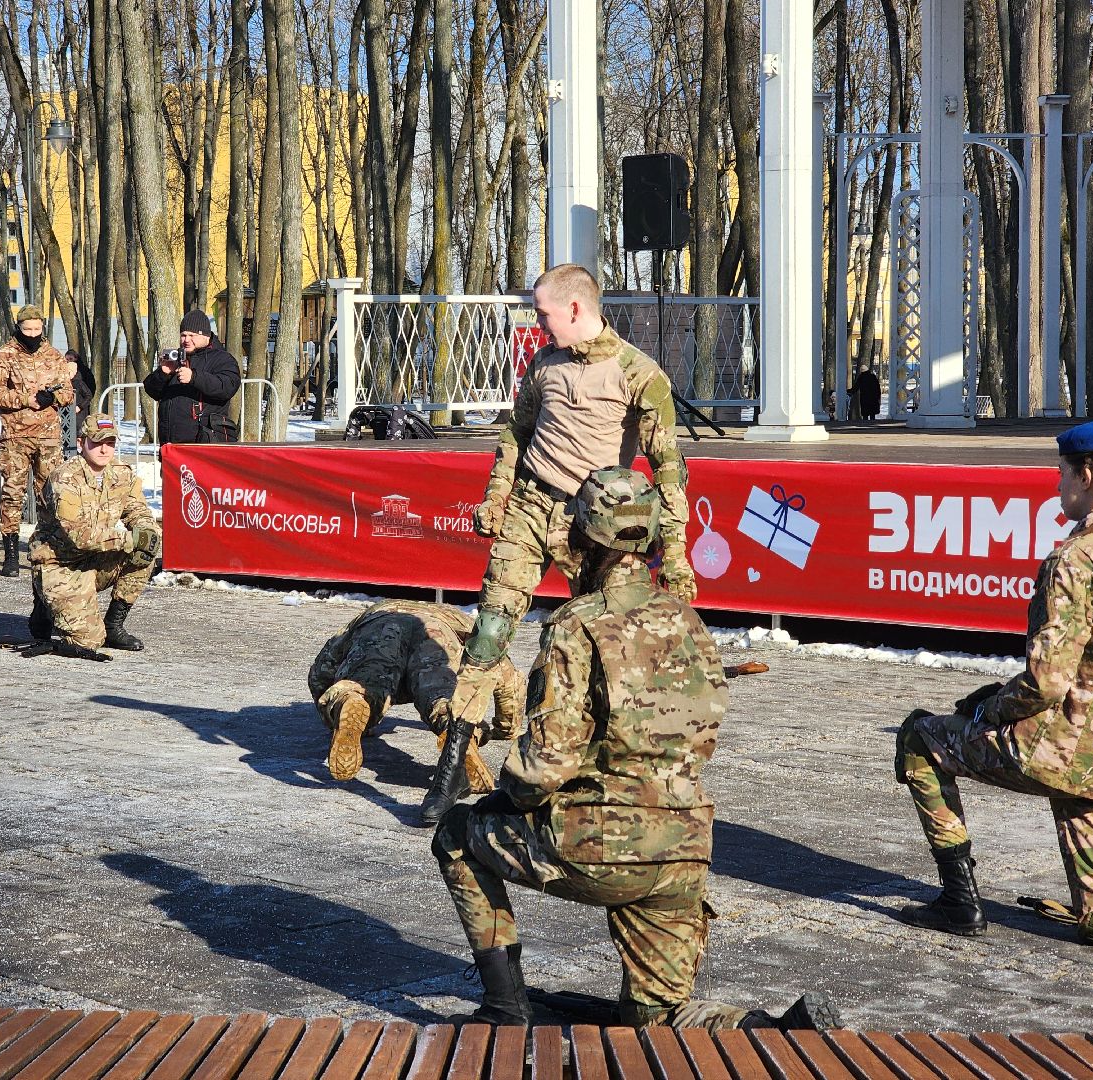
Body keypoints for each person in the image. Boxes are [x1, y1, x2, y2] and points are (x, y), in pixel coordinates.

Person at [431, 467, 838, 1030]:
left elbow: (547, 762)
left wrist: (508, 797)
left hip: (600, 845)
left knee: (455, 834)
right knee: (654, 1017)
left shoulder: (577, 626)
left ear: (582, 538)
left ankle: (505, 1008)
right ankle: (764, 1032)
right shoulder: (687, 620)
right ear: (647, 539)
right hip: (684, 851)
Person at [422, 263, 695, 825]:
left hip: (595, 526)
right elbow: (516, 434)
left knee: (599, 646)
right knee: (490, 632)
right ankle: (450, 769)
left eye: (544, 312)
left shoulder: (639, 375)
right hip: (528, 507)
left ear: (575, 308)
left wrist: (676, 553)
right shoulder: (543, 365)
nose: (539, 323)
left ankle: (577, 766)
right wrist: (496, 494)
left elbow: (670, 472)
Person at [894, 420, 1093, 949]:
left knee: (920, 738)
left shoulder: (1075, 558)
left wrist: (987, 709)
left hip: (1065, 751)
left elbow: (1046, 682)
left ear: (1091, 475)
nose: (1057, 486)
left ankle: (959, 903)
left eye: (1062, 473)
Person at [309, 600, 525, 793]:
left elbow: (323, 666)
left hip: (381, 626)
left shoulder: (375, 612)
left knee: (365, 682)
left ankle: (353, 700)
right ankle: (452, 728)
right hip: (437, 634)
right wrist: (506, 727)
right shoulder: (458, 618)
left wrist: (330, 712)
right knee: (440, 695)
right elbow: (506, 676)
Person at [24, 414, 161, 662]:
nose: (103, 449)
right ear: (81, 443)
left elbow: (137, 510)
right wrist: (131, 539)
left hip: (96, 560)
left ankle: (113, 625)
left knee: (146, 553)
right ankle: (44, 604)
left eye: (109, 443)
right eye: (96, 442)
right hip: (60, 564)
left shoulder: (121, 473)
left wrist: (147, 530)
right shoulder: (65, 478)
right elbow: (80, 536)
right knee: (87, 642)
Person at [0, 305, 74, 577]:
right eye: (28, 330)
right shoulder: (6, 355)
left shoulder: (53, 354)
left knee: (48, 494)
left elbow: (69, 391)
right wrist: (25, 399)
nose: (33, 334)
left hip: (47, 437)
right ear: (19, 327)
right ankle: (11, 554)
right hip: (15, 436)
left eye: (37, 329)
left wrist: (54, 398)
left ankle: (45, 548)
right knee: (13, 493)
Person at [143, 311, 241, 444]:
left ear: (205, 335)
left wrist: (194, 377)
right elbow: (151, 390)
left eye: (191, 335)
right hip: (172, 444)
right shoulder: (176, 358)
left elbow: (227, 386)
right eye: (183, 335)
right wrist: (163, 373)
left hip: (206, 441)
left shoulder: (222, 358)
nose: (186, 340)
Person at [61, 349, 97, 457]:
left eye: (70, 359)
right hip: (68, 412)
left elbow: (89, 392)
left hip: (80, 409)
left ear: (76, 359)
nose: (68, 361)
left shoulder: (83, 374)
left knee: (79, 434)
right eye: (66, 359)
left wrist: (81, 405)